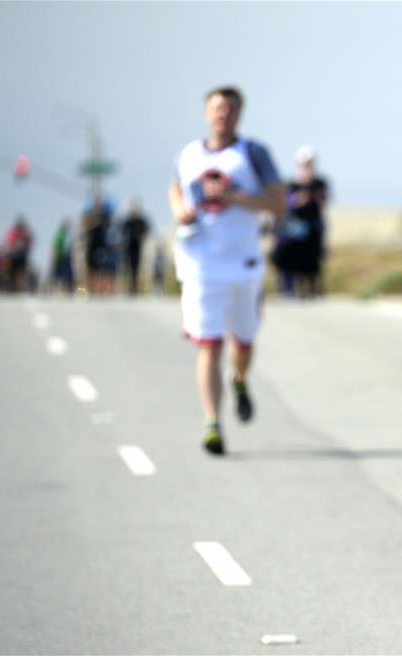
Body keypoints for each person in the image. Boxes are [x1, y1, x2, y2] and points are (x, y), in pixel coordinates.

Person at [168, 86, 285, 455]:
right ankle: (212, 424)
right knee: (209, 346)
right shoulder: (189, 154)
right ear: (206, 113)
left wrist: (234, 197)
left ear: (239, 115)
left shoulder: (252, 154)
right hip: (201, 265)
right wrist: (179, 210)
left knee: (244, 341)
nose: (223, 115)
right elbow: (175, 187)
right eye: (217, 108)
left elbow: (279, 203)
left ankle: (238, 380)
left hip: (244, 265)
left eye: (230, 109)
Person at [271, 146, 330, 297]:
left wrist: (310, 196)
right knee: (289, 256)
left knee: (312, 258)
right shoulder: (291, 184)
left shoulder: (319, 183)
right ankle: (287, 288)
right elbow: (283, 204)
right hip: (293, 228)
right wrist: (295, 200)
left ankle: (312, 287)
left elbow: (324, 200)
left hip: (313, 225)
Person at [121, 198, 150, 295]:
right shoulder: (127, 220)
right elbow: (121, 231)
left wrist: (140, 236)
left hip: (137, 247)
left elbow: (146, 230)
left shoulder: (140, 220)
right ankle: (126, 288)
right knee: (127, 268)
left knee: (136, 268)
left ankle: (134, 288)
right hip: (128, 247)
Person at [4, 216, 33, 292]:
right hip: (14, 256)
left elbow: (30, 242)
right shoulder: (13, 233)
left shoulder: (24, 233)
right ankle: (15, 287)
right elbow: (8, 244)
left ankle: (19, 288)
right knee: (13, 273)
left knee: (20, 273)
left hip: (21, 256)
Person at [51, 219, 75, 294]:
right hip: (60, 258)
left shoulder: (67, 236)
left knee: (66, 275)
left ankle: (64, 290)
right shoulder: (59, 235)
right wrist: (55, 257)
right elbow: (55, 247)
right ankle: (58, 290)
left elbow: (70, 248)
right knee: (59, 275)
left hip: (66, 258)